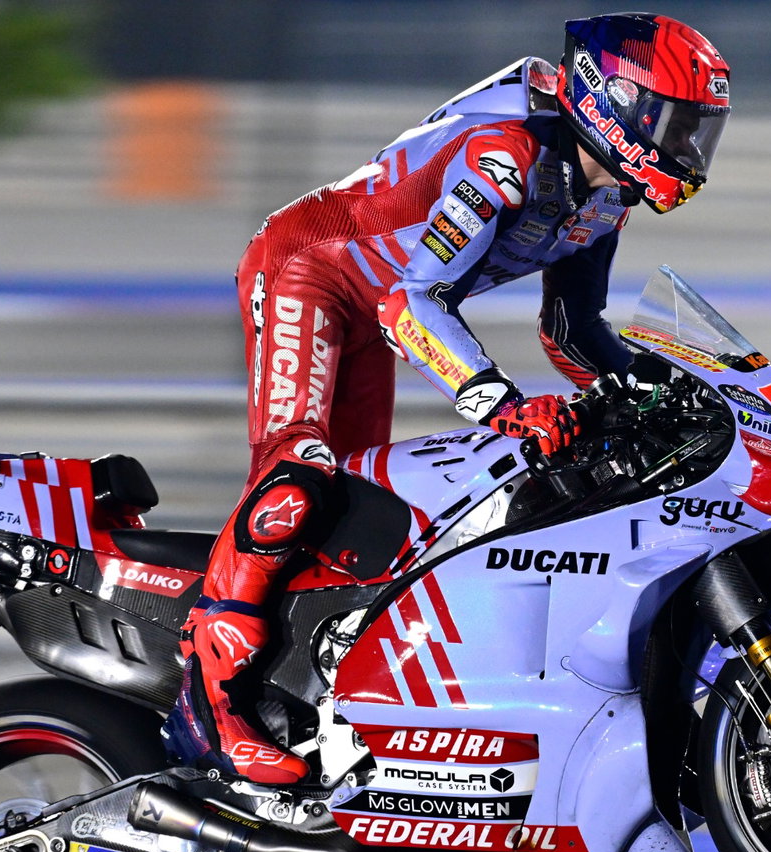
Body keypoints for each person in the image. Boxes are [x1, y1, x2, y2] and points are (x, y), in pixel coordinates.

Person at [173, 12, 733, 784]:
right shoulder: (505, 155)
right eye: (679, 125)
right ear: (619, 107)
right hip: (309, 270)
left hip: (372, 306)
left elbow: (571, 330)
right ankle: (209, 693)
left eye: (701, 131)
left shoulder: (607, 195)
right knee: (299, 475)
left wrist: (666, 393)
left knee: (352, 513)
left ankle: (295, 682)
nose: (691, 149)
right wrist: (505, 409)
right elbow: (413, 303)